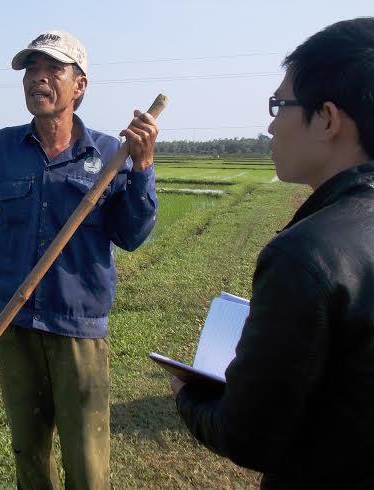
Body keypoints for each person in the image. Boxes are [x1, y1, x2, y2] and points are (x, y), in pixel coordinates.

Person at [0, 30, 159, 489]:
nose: (38, 79)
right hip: (14, 323)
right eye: (31, 70)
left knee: (87, 461)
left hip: (77, 327)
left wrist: (142, 167)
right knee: (29, 453)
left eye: (52, 70)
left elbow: (132, 235)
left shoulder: (107, 154)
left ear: (79, 85)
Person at [170, 17, 374, 489]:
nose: (270, 124)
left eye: (280, 104)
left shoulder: (306, 254)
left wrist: (188, 395)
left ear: (327, 118)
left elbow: (250, 435)